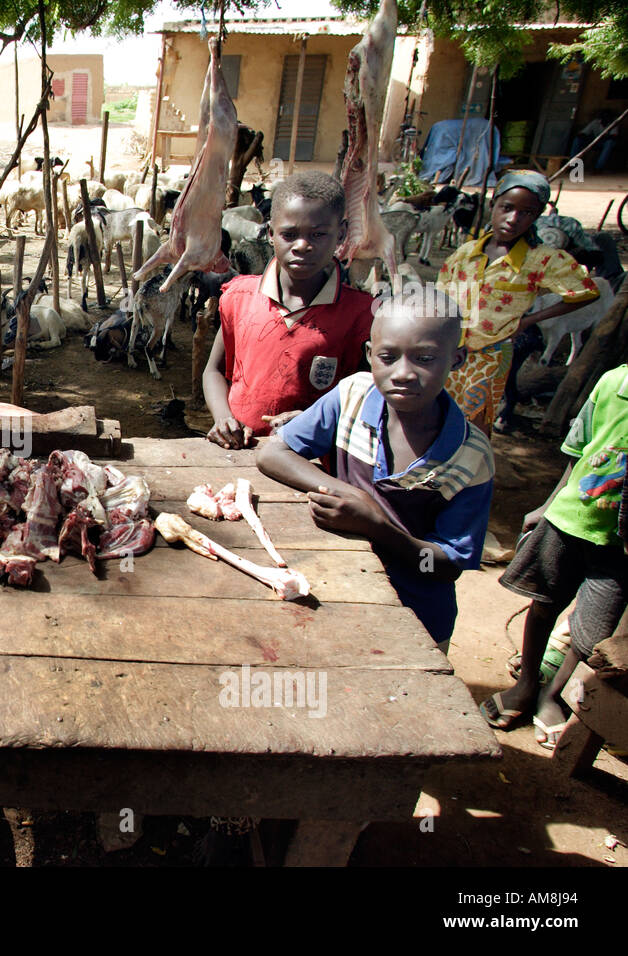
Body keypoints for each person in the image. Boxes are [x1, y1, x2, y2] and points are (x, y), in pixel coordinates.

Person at [258, 290, 494, 651]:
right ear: (370, 355)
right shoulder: (353, 395)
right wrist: (348, 493)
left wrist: (377, 527)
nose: (403, 373)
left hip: (417, 616)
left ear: (457, 358)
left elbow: (445, 566)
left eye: (425, 358)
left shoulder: (470, 455)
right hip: (342, 591)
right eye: (388, 357)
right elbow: (273, 454)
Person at [481, 363, 628, 747]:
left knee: (593, 632)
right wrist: (547, 505)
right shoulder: (612, 382)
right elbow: (577, 453)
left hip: (618, 545)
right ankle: (527, 684)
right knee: (544, 602)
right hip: (569, 519)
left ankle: (552, 694)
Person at [202, 171, 374, 449]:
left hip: (313, 457)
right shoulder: (240, 297)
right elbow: (213, 371)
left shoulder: (360, 314)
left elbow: (368, 394)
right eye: (289, 234)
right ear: (270, 233)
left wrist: (314, 420)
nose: (302, 245)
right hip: (236, 451)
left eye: (318, 234)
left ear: (341, 233)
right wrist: (223, 418)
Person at [438, 170, 601, 434]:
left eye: (526, 213)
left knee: (475, 424)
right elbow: (441, 296)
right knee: (439, 415)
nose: (513, 219)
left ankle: (470, 471)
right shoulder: (466, 253)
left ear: (536, 217)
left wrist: (529, 320)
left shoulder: (541, 260)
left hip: (491, 355)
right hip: (447, 350)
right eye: (507, 208)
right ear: (493, 205)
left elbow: (586, 292)